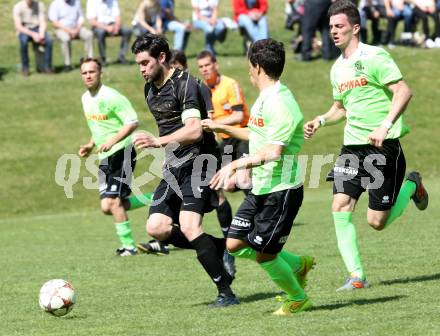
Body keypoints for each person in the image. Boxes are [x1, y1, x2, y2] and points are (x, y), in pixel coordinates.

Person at [304, 0, 429, 291]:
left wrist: (384, 125)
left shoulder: (375, 56)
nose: (334, 32)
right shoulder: (337, 69)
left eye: (340, 26)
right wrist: (321, 120)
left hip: (382, 148)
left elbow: (403, 91)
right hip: (352, 148)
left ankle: (412, 186)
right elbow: (340, 108)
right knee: (340, 205)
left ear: (355, 28)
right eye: (331, 27)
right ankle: (356, 276)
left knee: (376, 222)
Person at [202, 38, 315, 315]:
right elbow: (255, 134)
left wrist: (235, 165)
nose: (248, 72)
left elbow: (274, 151)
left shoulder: (280, 102)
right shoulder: (266, 97)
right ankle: (298, 265)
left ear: (258, 66)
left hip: (281, 189)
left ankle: (297, 298)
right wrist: (218, 125)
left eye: (250, 66)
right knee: (235, 243)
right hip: (263, 187)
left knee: (266, 254)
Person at [131, 33, 238, 307]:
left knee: (190, 225)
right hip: (174, 165)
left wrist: (157, 141)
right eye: (139, 64)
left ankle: (226, 293)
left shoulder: (186, 84)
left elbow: (193, 131)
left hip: (200, 162)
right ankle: (220, 246)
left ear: (162, 58)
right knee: (156, 227)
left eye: (145, 63)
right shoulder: (150, 89)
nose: (141, 69)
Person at [78, 57, 153, 257]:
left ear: (100, 73)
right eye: (84, 72)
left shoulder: (111, 96)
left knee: (114, 201)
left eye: (92, 72)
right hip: (106, 157)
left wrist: (113, 141)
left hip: (122, 152)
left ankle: (128, 247)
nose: (88, 76)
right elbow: (100, 127)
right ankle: (155, 199)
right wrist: (90, 144)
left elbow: (132, 121)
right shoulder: (85, 98)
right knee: (106, 206)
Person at [48, 0, 93, 72]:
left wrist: (77, 29)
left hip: (76, 28)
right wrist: (69, 30)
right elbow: (54, 23)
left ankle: (90, 61)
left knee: (89, 34)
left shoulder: (76, 2)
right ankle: (67, 64)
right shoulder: (55, 4)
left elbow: (81, 17)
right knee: (66, 39)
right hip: (61, 29)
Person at [13, 0, 53, 76]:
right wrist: (33, 34)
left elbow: (43, 21)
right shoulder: (18, 7)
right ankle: (25, 68)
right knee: (23, 42)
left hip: (38, 28)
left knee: (49, 41)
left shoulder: (40, 5)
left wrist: (41, 34)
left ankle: (47, 67)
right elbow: (18, 26)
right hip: (24, 30)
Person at [86, 0, 132, 65]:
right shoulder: (91, 1)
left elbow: (117, 16)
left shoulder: (113, 1)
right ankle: (102, 58)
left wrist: (117, 26)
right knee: (100, 32)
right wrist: (106, 28)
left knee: (127, 31)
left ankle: (122, 56)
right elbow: (92, 21)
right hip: (98, 26)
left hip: (113, 25)